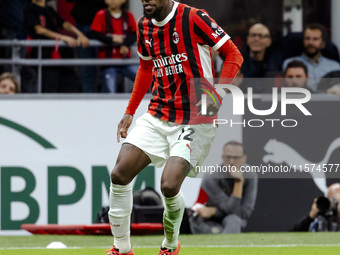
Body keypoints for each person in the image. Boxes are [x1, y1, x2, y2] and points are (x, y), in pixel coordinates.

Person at [106, 0, 243, 254]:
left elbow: (234, 54)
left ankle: (170, 244)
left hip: (195, 118)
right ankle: (121, 248)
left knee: (169, 186)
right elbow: (146, 67)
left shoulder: (194, 17)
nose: (146, 0)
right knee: (119, 174)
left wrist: (218, 96)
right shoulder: (144, 25)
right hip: (159, 114)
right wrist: (129, 111)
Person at [189, 141, 258, 234]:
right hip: (206, 219)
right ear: (222, 157)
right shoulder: (211, 176)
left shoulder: (250, 175)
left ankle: (228, 247)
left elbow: (244, 213)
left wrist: (239, 181)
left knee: (234, 221)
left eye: (236, 158)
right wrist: (238, 182)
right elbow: (231, 209)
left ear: (244, 158)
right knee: (217, 231)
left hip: (232, 219)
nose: (231, 161)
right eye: (228, 157)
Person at [24, 0, 90, 93]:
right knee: (50, 88)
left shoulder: (50, 9)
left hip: (58, 55)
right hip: (44, 56)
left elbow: (64, 23)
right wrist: (62, 37)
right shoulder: (30, 8)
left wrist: (80, 34)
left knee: (70, 83)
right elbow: (39, 30)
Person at [88, 0, 138, 93]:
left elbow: (136, 33)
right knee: (110, 90)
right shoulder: (101, 14)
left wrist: (125, 45)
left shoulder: (128, 15)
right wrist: (111, 39)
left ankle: (130, 99)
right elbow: (93, 33)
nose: (112, 1)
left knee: (145, 79)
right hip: (107, 62)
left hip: (125, 61)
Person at [282, 24, 340, 92]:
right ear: (303, 41)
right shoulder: (290, 63)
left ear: (323, 44)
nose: (310, 42)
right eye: (307, 38)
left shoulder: (334, 66)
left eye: (315, 39)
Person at [66, 0, 106, 92]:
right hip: (81, 26)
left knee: (107, 69)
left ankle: (107, 102)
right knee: (86, 70)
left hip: (102, 26)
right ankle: (89, 101)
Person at [240, 23, 283, 93]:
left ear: (269, 41)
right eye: (253, 35)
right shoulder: (238, 62)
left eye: (261, 36)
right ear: (247, 39)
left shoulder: (278, 63)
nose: (256, 39)